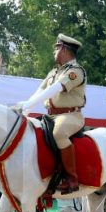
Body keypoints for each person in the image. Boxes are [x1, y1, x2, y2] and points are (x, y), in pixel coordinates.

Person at [14, 33, 87, 191]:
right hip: (51, 115)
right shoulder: (54, 72)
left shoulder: (76, 71)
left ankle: (72, 179)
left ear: (64, 49)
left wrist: (29, 104)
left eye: (56, 48)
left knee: (59, 133)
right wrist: (26, 109)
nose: (54, 52)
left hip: (71, 115)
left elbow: (57, 88)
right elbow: (40, 91)